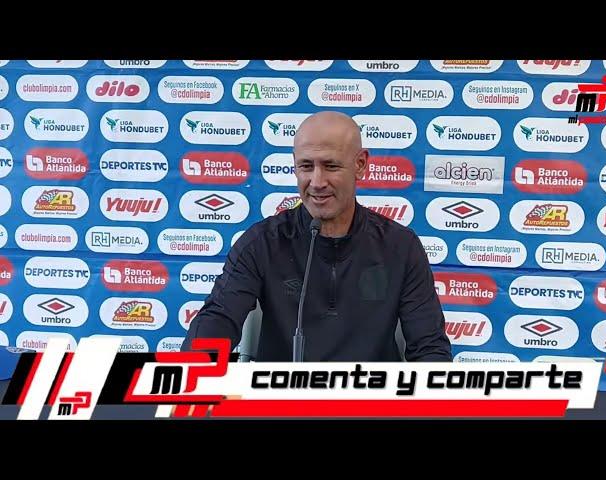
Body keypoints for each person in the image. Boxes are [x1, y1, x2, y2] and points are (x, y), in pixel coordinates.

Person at [182, 111, 452, 362]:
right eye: (306, 166)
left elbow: (430, 349)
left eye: (331, 166)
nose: (317, 181)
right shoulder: (261, 242)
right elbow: (217, 320)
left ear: (360, 165)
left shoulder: (400, 246)